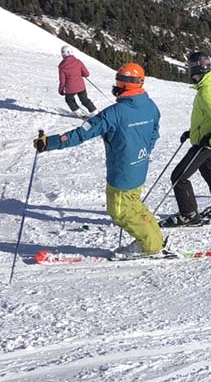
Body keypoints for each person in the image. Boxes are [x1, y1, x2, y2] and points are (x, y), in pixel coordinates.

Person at [33, 62, 167, 259]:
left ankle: (150, 246)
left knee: (120, 211)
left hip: (121, 171)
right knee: (134, 204)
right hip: (140, 165)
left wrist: (49, 143)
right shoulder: (150, 105)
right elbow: (154, 132)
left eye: (117, 82)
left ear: (124, 84)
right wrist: (143, 151)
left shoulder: (114, 113)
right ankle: (153, 238)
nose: (115, 86)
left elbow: (81, 133)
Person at [160, 52, 211, 228]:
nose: (190, 74)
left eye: (191, 69)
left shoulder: (207, 92)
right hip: (203, 138)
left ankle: (189, 215)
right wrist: (192, 132)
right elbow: (206, 118)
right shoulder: (209, 84)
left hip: (205, 142)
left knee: (179, 177)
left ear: (198, 69)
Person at [58, 46, 96, 116]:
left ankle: (77, 112)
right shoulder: (78, 62)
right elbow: (86, 74)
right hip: (81, 86)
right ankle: (94, 112)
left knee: (69, 99)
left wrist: (61, 89)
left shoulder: (62, 66)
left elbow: (62, 80)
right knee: (84, 100)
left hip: (70, 88)